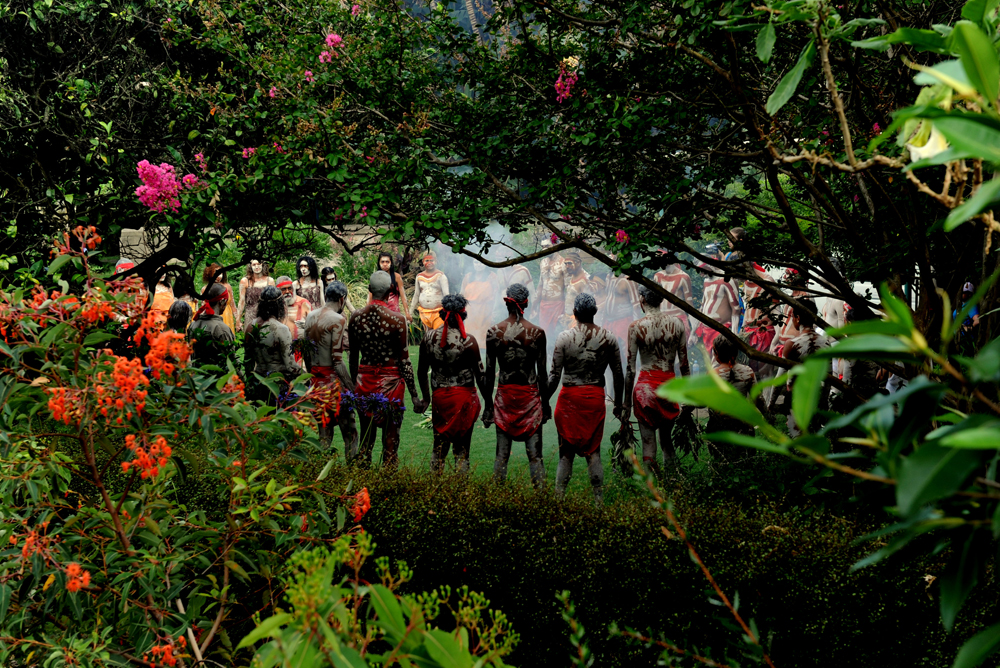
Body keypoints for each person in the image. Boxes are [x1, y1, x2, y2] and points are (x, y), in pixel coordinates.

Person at [548, 293, 625, 505]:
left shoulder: (564, 338)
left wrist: (544, 400)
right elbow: (618, 374)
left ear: (575, 313)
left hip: (570, 397)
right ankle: (598, 502)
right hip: (594, 397)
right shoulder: (609, 338)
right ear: (595, 312)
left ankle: (558, 500)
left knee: (566, 452)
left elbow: (554, 376)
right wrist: (619, 404)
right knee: (594, 451)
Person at [349, 271, 426, 468]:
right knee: (391, 441)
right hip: (391, 384)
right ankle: (389, 487)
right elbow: (404, 362)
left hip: (364, 383)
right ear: (391, 291)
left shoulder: (356, 318)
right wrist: (415, 396)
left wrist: (352, 386)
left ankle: (362, 483)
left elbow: (353, 358)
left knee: (366, 440)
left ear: (369, 290)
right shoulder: (397, 319)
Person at [483, 283, 550, 487]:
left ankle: (498, 502)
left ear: (507, 304)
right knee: (535, 456)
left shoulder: (494, 332)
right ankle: (542, 505)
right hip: (529, 397)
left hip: (504, 397)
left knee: (501, 455)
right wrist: (545, 405)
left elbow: (488, 373)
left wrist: (488, 406)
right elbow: (542, 374)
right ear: (526, 303)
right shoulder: (537, 333)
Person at [416, 294, 491, 474]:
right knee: (462, 450)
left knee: (439, 447)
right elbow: (481, 376)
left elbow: (421, 371)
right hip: (464, 399)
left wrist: (426, 398)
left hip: (440, 397)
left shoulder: (429, 339)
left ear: (442, 314)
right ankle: (460, 493)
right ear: (463, 316)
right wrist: (489, 404)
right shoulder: (469, 341)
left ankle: (436, 489)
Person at [623, 286, 690, 476]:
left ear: (642, 299)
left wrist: (626, 402)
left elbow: (630, 369)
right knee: (667, 442)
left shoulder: (636, 327)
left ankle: (653, 491)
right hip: (669, 386)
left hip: (646, 390)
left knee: (648, 444)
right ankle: (672, 483)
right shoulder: (677, 324)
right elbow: (684, 364)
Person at [304, 281, 357, 454]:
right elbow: (337, 361)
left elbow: (306, 352)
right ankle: (354, 472)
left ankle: (320, 474)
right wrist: (352, 388)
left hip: (316, 383)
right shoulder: (338, 319)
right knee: (350, 431)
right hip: (332, 383)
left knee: (324, 433)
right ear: (342, 299)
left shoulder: (310, 316)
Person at [778, 300, 833, 436]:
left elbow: (780, 377)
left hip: (797, 398)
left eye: (792, 317)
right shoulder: (825, 342)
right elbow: (829, 377)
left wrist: (769, 404)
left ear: (798, 318)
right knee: (816, 433)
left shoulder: (792, 344)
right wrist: (824, 402)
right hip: (818, 396)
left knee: (798, 436)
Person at [243, 286, 300, 402]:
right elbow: (290, 365)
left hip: (258, 383)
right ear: (280, 305)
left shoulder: (250, 326)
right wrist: (306, 375)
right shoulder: (281, 329)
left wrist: (249, 384)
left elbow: (247, 362)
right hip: (277, 386)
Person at [707, 336, 756, 437]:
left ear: (716, 354)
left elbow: (702, 403)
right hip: (743, 425)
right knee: (743, 452)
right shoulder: (748, 371)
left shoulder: (712, 375)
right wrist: (769, 417)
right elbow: (758, 399)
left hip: (719, 427)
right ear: (736, 352)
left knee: (721, 452)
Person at [693, 264, 741, 354]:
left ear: (708, 264)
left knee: (720, 362)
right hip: (705, 330)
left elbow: (736, 309)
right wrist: (693, 332)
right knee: (710, 366)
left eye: (702, 270)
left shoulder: (727, 279)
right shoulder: (706, 281)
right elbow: (702, 307)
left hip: (722, 330)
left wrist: (734, 336)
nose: (701, 274)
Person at [188, 282, 235, 369]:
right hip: (217, 379)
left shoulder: (193, 325)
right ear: (222, 302)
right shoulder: (221, 329)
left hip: (197, 377)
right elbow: (231, 361)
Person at [600, 270, 639, 351]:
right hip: (608, 322)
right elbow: (609, 299)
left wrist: (636, 329)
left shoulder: (629, 279)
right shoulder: (609, 277)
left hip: (624, 322)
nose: (611, 256)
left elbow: (636, 305)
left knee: (624, 353)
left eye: (614, 256)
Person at [653, 260, 693, 339]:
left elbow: (690, 305)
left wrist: (694, 331)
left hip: (678, 318)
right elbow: (654, 302)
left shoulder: (684, 277)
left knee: (680, 350)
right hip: (661, 320)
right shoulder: (657, 276)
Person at [411, 251, 450, 331]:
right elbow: (416, 295)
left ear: (436, 261)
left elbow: (446, 295)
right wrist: (410, 312)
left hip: (439, 313)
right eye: (426, 260)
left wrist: (448, 311)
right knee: (428, 337)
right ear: (423, 262)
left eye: (431, 260)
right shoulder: (419, 277)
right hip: (424, 313)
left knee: (437, 336)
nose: (429, 263)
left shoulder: (441, 276)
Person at [461, 262, 497, 348]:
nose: (478, 265)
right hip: (470, 310)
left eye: (481, 263)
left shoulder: (492, 276)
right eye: (476, 262)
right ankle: (469, 348)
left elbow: (496, 295)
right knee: (469, 331)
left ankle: (483, 350)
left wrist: (494, 311)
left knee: (484, 332)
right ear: (472, 263)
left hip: (485, 310)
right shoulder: (468, 276)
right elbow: (462, 293)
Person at [368, 252, 410, 320]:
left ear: (391, 263)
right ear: (379, 263)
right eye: (382, 262)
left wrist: (407, 313)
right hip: (379, 312)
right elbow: (370, 296)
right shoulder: (376, 277)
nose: (385, 264)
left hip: (394, 313)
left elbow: (403, 296)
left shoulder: (397, 277)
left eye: (387, 262)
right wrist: (367, 311)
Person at [236, 259, 275, 331]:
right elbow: (241, 301)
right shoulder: (245, 281)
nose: (257, 267)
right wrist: (238, 320)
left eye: (258, 264)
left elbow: (274, 301)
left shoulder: (270, 280)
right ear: (250, 266)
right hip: (250, 314)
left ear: (262, 265)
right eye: (254, 265)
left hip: (266, 314)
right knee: (250, 337)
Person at [537, 243, 567, 337]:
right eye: (542, 246)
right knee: (543, 334)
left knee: (556, 334)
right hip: (543, 305)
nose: (544, 249)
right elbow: (540, 285)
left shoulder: (564, 263)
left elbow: (568, 288)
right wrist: (534, 305)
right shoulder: (543, 262)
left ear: (556, 245)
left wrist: (567, 310)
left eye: (547, 246)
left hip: (557, 305)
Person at [202, 263, 237, 333]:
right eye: (216, 273)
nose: (219, 276)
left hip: (227, 317)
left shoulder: (227, 287)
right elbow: (203, 307)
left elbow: (233, 305)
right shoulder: (205, 289)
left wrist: (238, 320)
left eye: (221, 273)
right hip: (212, 318)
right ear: (209, 273)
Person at [276, 276, 311, 340]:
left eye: (289, 288)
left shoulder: (303, 303)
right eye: (283, 289)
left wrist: (306, 325)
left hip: (300, 345)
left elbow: (314, 324)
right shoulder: (275, 305)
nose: (287, 292)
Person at [954, 281, 980, 354]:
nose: (962, 294)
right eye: (962, 292)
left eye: (965, 292)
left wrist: (969, 328)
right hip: (957, 339)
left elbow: (977, 321)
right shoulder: (961, 304)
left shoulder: (971, 305)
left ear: (969, 294)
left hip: (965, 341)